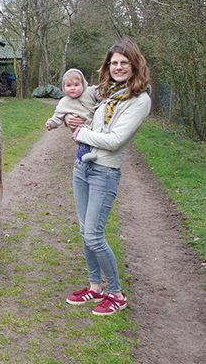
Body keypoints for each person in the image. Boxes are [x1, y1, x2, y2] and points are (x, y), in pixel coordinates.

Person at [64, 38, 151, 316]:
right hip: (82, 167)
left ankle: (116, 293)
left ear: (135, 65)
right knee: (84, 232)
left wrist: (80, 134)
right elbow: (97, 125)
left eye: (124, 63)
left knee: (94, 235)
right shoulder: (108, 93)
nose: (118, 67)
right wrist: (76, 122)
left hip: (104, 172)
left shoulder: (139, 99)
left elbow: (115, 140)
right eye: (114, 62)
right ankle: (95, 286)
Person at [45, 68, 100, 163]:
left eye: (76, 85)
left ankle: (94, 153)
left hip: (94, 124)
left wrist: (101, 93)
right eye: (69, 86)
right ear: (63, 87)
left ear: (83, 84)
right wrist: (51, 123)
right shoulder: (64, 102)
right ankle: (85, 156)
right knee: (79, 137)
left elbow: (100, 90)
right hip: (80, 128)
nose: (72, 88)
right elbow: (58, 116)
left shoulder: (89, 92)